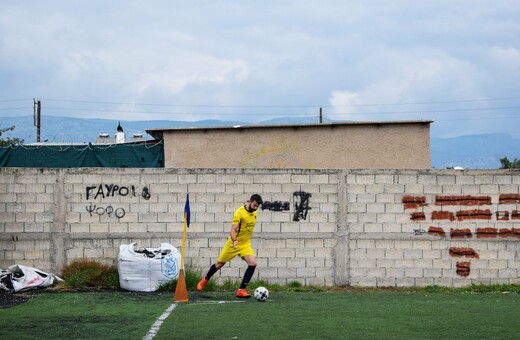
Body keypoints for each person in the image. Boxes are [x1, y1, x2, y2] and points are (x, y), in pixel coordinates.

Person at [197, 194, 263, 298]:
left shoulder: (255, 212)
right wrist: (235, 240)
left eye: (257, 206)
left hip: (245, 244)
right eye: (254, 205)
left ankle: (241, 290)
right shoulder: (239, 213)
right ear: (250, 201)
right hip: (233, 244)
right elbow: (233, 229)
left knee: (253, 263)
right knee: (219, 264)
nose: (255, 208)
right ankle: (205, 280)